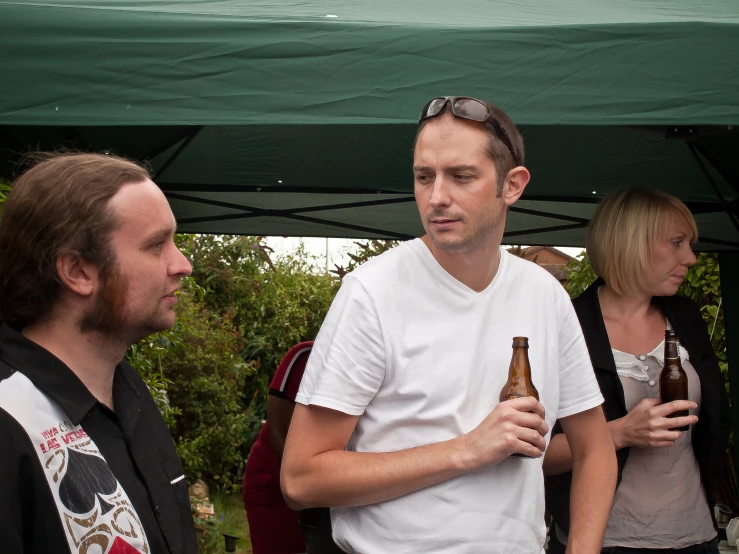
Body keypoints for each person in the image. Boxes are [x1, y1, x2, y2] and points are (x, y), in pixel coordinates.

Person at [281, 96, 618, 553]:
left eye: (461, 176)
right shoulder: (372, 292)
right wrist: (466, 449)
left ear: (513, 185)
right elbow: (301, 479)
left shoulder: (545, 295)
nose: (437, 196)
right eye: (424, 177)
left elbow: (595, 448)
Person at [0, 152, 198, 553]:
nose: (183, 264)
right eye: (157, 245)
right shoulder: (10, 421)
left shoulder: (126, 389)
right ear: (78, 272)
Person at [544, 187, 731, 554]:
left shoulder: (687, 317)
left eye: (689, 243)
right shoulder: (567, 326)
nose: (691, 258)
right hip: (604, 540)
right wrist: (621, 432)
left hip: (696, 534)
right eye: (677, 242)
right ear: (631, 243)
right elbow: (535, 454)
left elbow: (714, 423)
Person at [243, 341, 342, 554]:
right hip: (273, 484)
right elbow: (277, 428)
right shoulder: (306, 357)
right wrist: (302, 477)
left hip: (325, 491)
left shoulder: (365, 366)